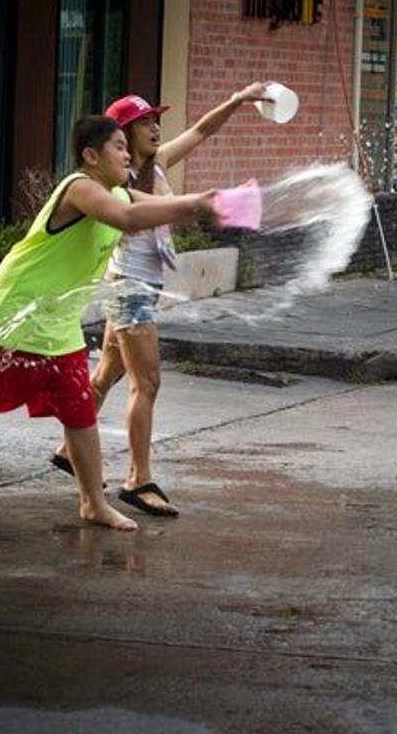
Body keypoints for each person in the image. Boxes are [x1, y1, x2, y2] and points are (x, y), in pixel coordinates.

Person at [0, 116, 226, 531]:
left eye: (127, 147)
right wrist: (197, 204)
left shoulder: (117, 193)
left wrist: (202, 204)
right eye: (118, 147)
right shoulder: (80, 189)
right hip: (12, 314)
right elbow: (127, 220)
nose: (128, 154)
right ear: (91, 156)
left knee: (79, 410)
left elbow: (145, 208)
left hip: (57, 323)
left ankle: (92, 503)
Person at [49, 86, 270, 517]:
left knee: (108, 374)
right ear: (122, 134)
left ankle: (66, 450)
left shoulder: (159, 163)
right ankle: (138, 479)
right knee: (146, 384)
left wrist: (238, 99)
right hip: (130, 287)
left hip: (138, 286)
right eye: (146, 122)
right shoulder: (117, 182)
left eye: (156, 121)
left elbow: (202, 130)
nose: (155, 128)